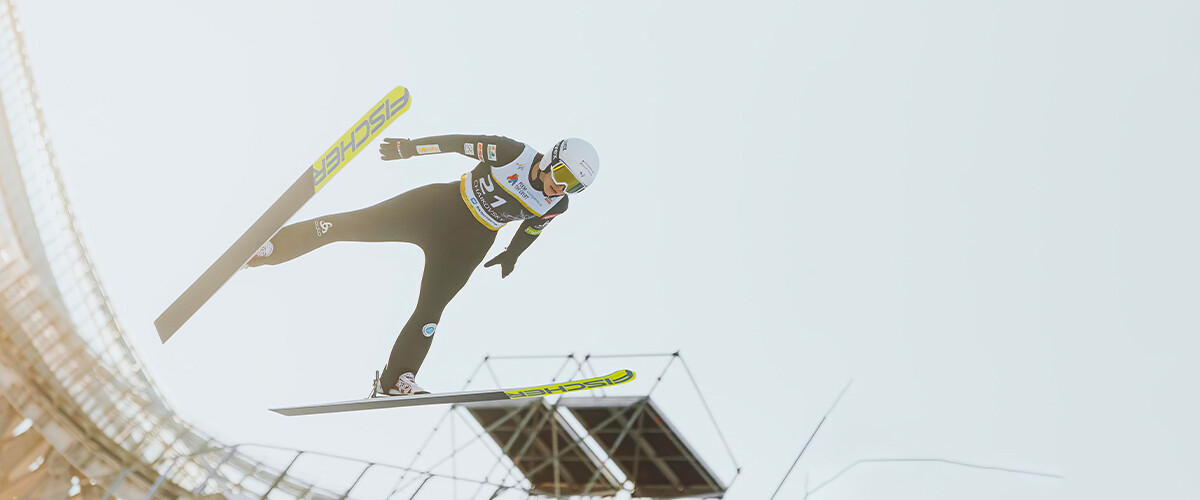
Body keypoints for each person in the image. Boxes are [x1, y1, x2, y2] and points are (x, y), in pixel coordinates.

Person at [245, 135, 599, 396]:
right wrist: (410, 149)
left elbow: (533, 226)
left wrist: (513, 253)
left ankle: (397, 379)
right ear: (553, 158)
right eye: (563, 177)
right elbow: (458, 143)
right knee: (350, 225)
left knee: (431, 310)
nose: (560, 189)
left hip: (470, 242)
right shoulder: (511, 154)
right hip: (437, 207)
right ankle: (270, 248)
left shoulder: (557, 203)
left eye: (574, 187)